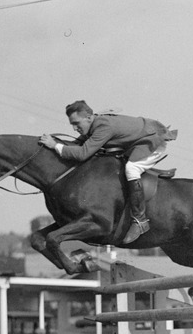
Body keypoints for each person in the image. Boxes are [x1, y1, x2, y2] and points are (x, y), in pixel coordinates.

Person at [38, 100, 177, 243]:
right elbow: (80, 144)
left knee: (131, 169)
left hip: (153, 140)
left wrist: (55, 146)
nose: (75, 128)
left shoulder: (104, 126)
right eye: (72, 124)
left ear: (89, 118)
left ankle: (140, 220)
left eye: (76, 123)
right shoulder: (94, 123)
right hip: (138, 138)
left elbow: (83, 153)